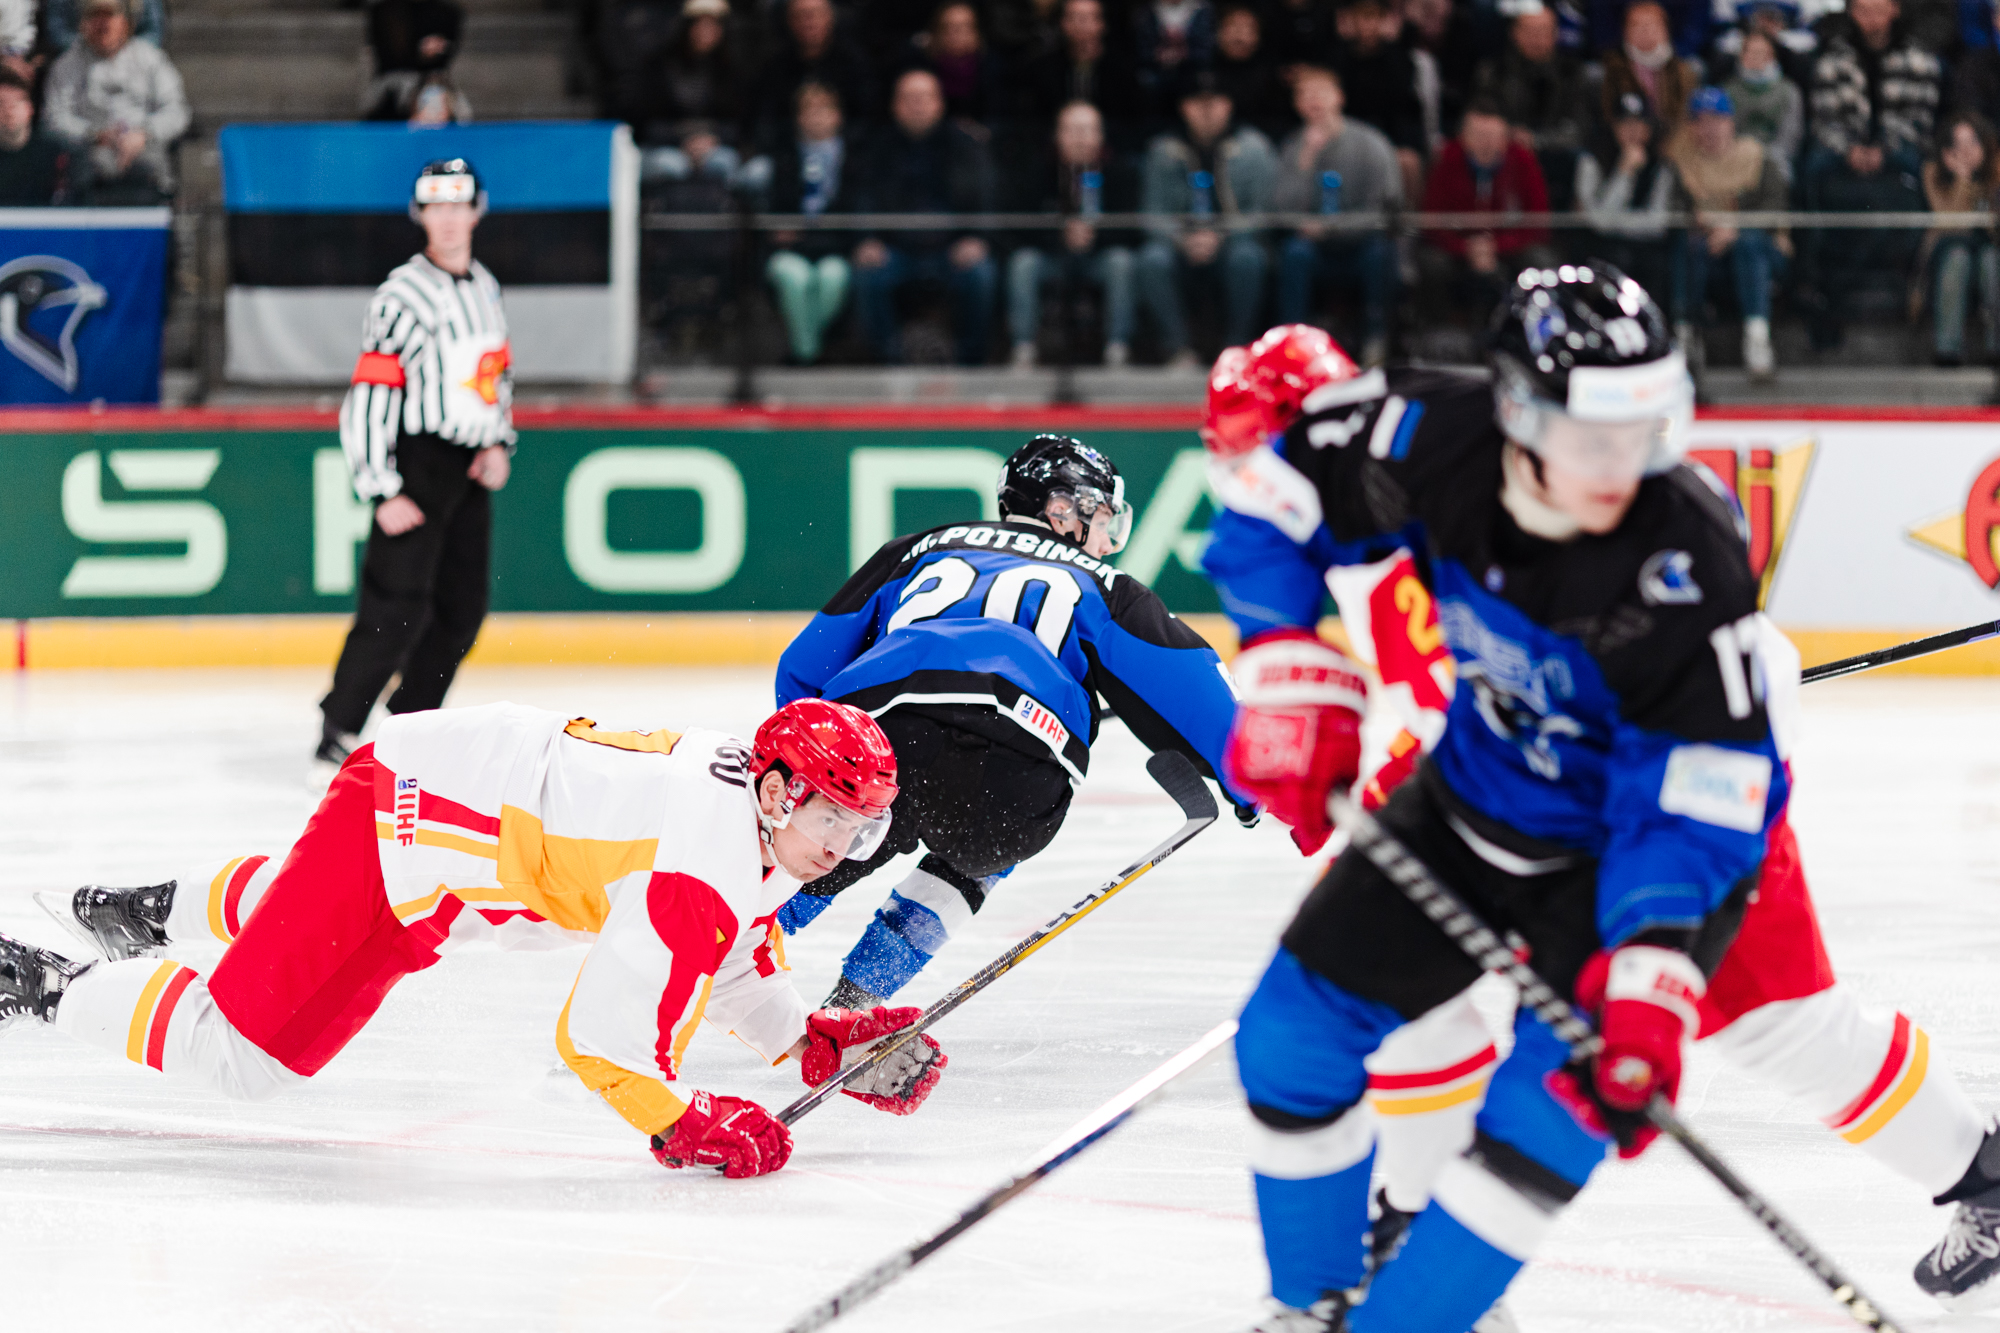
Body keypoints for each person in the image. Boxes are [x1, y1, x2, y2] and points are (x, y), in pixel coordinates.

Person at [1200, 324, 2000, 1321]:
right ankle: (1409, 1229)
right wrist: (1312, 713)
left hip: (1674, 820)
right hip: (1510, 810)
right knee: (1395, 1006)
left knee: (1775, 1024)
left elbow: (1727, 703)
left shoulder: (1608, 534)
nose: (1243, 469)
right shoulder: (1392, 502)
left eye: (1249, 442)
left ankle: (1982, 1177)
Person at [1203, 266, 1787, 1333]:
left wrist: (1652, 967)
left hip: (1626, 861)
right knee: (1288, 1037)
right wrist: (1289, 660)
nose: (1622, 466)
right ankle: (1308, 1304)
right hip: (1471, 803)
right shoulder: (1423, 433)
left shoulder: (1685, 554)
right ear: (1517, 410)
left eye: (1642, 431)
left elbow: (1701, 793)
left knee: (1543, 1120)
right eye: (1592, 437)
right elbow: (1267, 501)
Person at [8, 698, 949, 1182]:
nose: (845, 848)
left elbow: (729, 949)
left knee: (303, 924)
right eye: (839, 819)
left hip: (454, 826)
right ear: (782, 792)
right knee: (248, 1056)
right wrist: (688, 1121)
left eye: (865, 830)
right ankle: (46, 981)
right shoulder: (701, 867)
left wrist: (806, 1040)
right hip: (406, 833)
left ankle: (155, 909)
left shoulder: (758, 811)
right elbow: (606, 1046)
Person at [770, 434, 1253, 1009]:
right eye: (1102, 519)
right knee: (978, 858)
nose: (1107, 539)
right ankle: (854, 1003)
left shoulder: (919, 547)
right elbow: (1196, 685)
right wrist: (1250, 782)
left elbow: (806, 667)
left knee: (833, 831)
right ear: (1062, 510)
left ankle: (729, 945)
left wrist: (808, 769)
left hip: (886, 736)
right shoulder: (1106, 586)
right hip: (1017, 765)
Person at [319, 161, 515, 780]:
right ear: (420, 215)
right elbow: (371, 393)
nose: (451, 218)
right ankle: (338, 731)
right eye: (437, 206)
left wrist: (499, 441)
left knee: (463, 608)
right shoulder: (402, 294)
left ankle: (411, 726)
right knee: (394, 607)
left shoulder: (485, 284)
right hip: (417, 463)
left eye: (460, 205)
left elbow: (495, 374)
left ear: (477, 212)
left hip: (469, 467)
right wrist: (380, 484)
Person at [1799, 0, 1940, 347]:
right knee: (1809, 170)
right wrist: (1849, 149)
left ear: (1894, 10)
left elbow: (1920, 122)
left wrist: (1884, 150)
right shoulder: (1833, 58)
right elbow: (1823, 119)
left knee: (1919, 169)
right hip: (1843, 148)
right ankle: (1807, 265)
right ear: (1851, 12)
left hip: (1899, 149)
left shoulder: (1919, 60)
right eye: (1863, 9)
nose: (1871, 17)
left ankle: (1915, 266)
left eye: (1878, 8)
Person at [849, 68, 999, 366]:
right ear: (895, 105)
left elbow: (986, 196)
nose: (917, 105)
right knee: (867, 275)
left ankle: (971, 360)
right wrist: (866, 239)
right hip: (895, 251)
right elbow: (861, 197)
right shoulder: (876, 147)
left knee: (981, 274)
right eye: (909, 99)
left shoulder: (965, 145)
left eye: (924, 98)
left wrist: (978, 239)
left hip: (951, 250)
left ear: (939, 104)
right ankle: (887, 359)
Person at [1137, 70, 1277, 366]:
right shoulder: (1163, 151)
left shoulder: (1254, 148)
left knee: (1248, 258)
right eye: (1198, 103)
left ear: (1228, 105)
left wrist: (1221, 237)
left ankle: (1237, 352)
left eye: (1214, 102)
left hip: (1233, 243)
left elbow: (1262, 213)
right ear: (1184, 108)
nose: (1207, 110)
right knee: (1152, 259)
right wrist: (1182, 240)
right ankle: (1177, 349)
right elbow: (1152, 214)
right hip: (1181, 246)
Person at [1270, 66, 1402, 366]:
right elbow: (1280, 210)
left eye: (1321, 92)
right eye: (1305, 95)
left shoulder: (1371, 143)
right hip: (1313, 248)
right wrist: (1306, 163)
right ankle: (1293, 344)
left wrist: (1333, 229)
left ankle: (1376, 339)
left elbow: (1384, 209)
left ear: (1339, 97)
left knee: (1381, 253)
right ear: (1297, 104)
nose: (1314, 101)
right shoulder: (1293, 148)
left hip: (1360, 244)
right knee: (1293, 254)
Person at [1006, 101, 1141, 369]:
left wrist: (1095, 236)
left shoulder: (1120, 174)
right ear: (1058, 136)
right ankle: (1023, 346)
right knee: (1024, 263)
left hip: (1099, 257)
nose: (1080, 138)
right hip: (1051, 257)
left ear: (1100, 136)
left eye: (1087, 130)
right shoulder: (1036, 172)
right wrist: (1061, 236)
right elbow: (1020, 228)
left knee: (1121, 262)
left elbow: (1132, 229)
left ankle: (1118, 346)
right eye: (1072, 130)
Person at [1667, 86, 1787, 379]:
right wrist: (1703, 224)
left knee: (1749, 243)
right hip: (1707, 249)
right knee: (1685, 245)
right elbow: (1675, 210)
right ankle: (1686, 333)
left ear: (1731, 122)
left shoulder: (1757, 157)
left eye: (1717, 120)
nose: (1710, 129)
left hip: (1762, 252)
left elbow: (1775, 208)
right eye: (1701, 121)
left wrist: (1735, 228)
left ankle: (1757, 338)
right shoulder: (1683, 163)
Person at [40, 0, 188, 204]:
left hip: (144, 156)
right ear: (83, 23)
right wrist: (94, 135)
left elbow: (176, 112)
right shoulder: (67, 64)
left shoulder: (151, 59)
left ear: (126, 23)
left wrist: (144, 134)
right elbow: (54, 117)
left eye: (109, 16)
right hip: (89, 163)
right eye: (95, 17)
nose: (103, 24)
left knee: (151, 171)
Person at [1418, 101, 1553, 318]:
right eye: (1478, 136)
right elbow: (1431, 222)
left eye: (1493, 137)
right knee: (1431, 263)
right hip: (1458, 247)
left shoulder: (1523, 160)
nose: (1486, 144)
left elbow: (1538, 222)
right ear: (1464, 137)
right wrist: (1465, 247)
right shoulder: (1446, 160)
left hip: (1509, 246)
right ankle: (1441, 332)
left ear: (1504, 139)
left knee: (1540, 260)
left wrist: (1496, 246)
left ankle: (1533, 325)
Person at [766, 82, 856, 366]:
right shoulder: (782, 159)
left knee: (832, 277)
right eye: (809, 111)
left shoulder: (854, 158)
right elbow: (772, 210)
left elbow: (857, 207)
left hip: (836, 248)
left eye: (824, 110)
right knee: (794, 277)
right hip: (792, 250)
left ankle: (803, 353)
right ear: (798, 118)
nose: (816, 117)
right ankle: (811, 353)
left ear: (837, 116)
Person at [1473, 3, 1590, 212]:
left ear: (1555, 34)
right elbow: (1480, 118)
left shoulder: (1572, 73)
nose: (1536, 38)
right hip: (1505, 151)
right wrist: (1510, 136)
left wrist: (1536, 140)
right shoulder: (1494, 72)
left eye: (1543, 31)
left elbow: (1579, 129)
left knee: (1579, 158)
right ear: (1514, 33)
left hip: (1555, 153)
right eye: (1529, 30)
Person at [1573, 92, 1674, 301]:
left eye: (1639, 125)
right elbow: (1598, 222)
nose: (1633, 132)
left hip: (1644, 243)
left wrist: (1618, 223)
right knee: (1614, 260)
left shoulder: (1661, 166)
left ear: (1649, 129)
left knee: (1657, 263)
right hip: (1600, 243)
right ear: (1613, 127)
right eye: (1625, 124)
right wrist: (1623, 173)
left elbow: (1657, 223)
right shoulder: (1591, 160)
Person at [1919, 113, 2000, 366]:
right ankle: (1947, 348)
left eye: (1972, 142)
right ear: (1947, 150)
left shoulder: (1993, 172)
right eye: (1959, 144)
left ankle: (1996, 347)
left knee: (1991, 260)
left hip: (1985, 245)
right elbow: (1950, 222)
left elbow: (1992, 224)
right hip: (1947, 245)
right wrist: (1962, 180)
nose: (1966, 151)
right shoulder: (1932, 172)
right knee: (1958, 259)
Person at [1329, 0, 1426, 205]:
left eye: (1373, 18)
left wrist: (1390, 47)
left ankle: (1407, 227)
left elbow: (1402, 99)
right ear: (1352, 21)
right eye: (1362, 18)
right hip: (1349, 130)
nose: (1367, 26)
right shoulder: (1338, 56)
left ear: (1383, 21)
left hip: (1392, 130)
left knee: (1408, 160)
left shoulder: (1399, 57)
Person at [1016, 0, 1145, 151]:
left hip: (1113, 152)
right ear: (1063, 23)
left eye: (1088, 18)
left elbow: (1134, 121)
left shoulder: (1122, 70)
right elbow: (1033, 121)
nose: (1081, 24)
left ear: (1102, 24)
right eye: (1074, 17)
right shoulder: (1042, 68)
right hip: (1054, 152)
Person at [753, 0, 877, 154]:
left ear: (831, 17)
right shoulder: (776, 66)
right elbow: (766, 119)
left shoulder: (854, 62)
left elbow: (867, 116)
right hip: (789, 151)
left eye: (815, 15)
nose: (809, 22)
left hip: (846, 152)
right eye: (800, 16)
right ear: (788, 21)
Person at [632, 0, 745, 148]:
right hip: (667, 145)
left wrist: (711, 140)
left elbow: (739, 124)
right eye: (699, 23)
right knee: (668, 164)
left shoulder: (730, 69)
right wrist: (683, 140)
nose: (704, 31)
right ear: (686, 27)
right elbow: (646, 122)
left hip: (716, 146)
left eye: (712, 24)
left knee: (722, 162)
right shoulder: (661, 66)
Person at [1595, 1, 1698, 146]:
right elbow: (1608, 119)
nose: (1645, 32)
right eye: (1637, 26)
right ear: (1625, 32)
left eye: (1653, 26)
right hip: (1626, 145)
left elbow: (1685, 119)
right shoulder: (1611, 71)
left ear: (1666, 31)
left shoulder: (1683, 72)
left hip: (1672, 144)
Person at [1720, 28, 1804, 182]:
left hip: (1776, 160)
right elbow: (1726, 133)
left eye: (1762, 53)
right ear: (1741, 55)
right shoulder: (1727, 91)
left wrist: (1766, 157)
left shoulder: (1789, 91)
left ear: (1772, 56)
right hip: (1735, 158)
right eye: (1750, 52)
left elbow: (1790, 136)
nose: (1755, 58)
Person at [362, 0, 462, 121]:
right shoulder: (384, 11)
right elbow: (388, 56)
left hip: (433, 79)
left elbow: (447, 51)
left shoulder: (448, 12)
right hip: (393, 83)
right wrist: (418, 54)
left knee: (435, 94)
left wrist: (437, 49)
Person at [915, 1, 1005, 134]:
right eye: (948, 27)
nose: (956, 34)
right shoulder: (921, 67)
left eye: (964, 27)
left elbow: (999, 115)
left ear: (977, 31)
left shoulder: (993, 67)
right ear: (936, 32)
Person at [1213, 3, 1294, 143]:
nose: (1239, 36)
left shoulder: (1273, 76)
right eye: (1232, 27)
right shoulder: (1202, 71)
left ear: (1258, 37)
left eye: (1248, 29)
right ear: (1218, 32)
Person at [0, 68, 67, 205]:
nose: (9, 110)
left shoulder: (53, 154)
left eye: (16, 102)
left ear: (30, 108)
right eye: (1, 104)